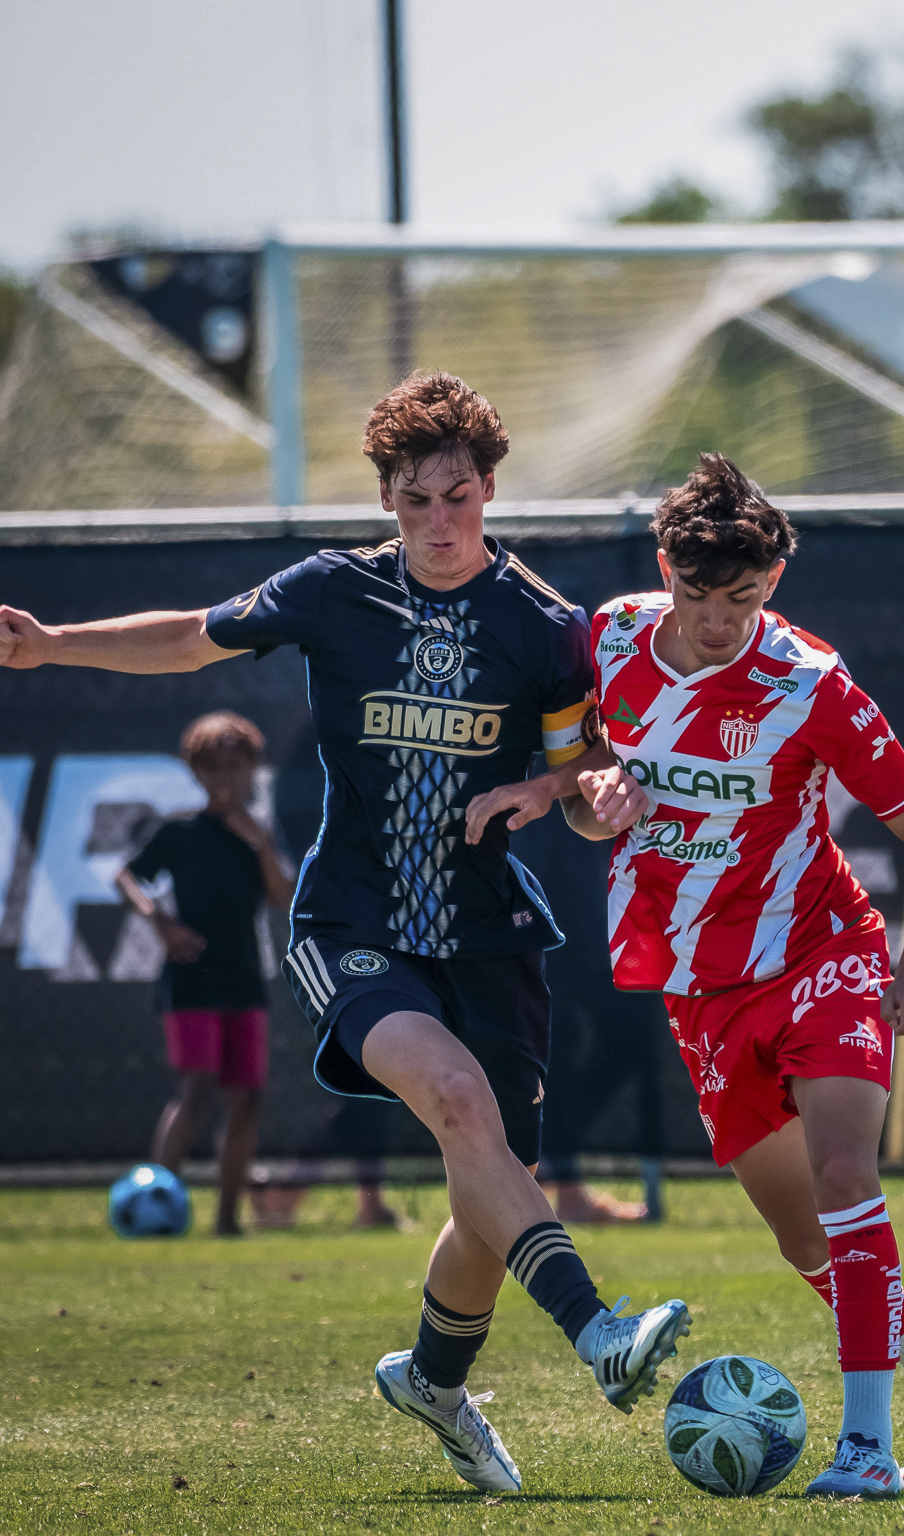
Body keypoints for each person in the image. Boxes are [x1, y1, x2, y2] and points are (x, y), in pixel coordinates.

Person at [0, 370, 687, 1498]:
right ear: (386, 502)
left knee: (490, 1181)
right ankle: (599, 1329)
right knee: (461, 1106)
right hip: (352, 920)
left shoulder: (546, 628)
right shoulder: (330, 591)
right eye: (413, 502)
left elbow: (576, 775)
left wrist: (596, 797)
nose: (437, 522)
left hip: (490, 933)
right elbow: (189, 639)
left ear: (489, 489)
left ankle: (432, 1379)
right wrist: (51, 643)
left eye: (456, 497)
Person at [583, 453, 904, 1498]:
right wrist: (585, 799)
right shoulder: (608, 637)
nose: (720, 619)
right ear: (662, 571)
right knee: (800, 1237)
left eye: (744, 596)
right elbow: (586, 771)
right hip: (700, 984)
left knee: (844, 1178)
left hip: (823, 954)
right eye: (700, 596)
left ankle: (865, 1449)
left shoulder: (810, 684)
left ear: (773, 579)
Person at [114, 710, 295, 1237]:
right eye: (212, 768)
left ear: (251, 770)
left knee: (248, 1099)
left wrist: (260, 843)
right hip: (191, 981)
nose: (225, 778)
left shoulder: (257, 834)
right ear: (195, 772)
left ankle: (226, 1221)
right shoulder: (180, 831)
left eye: (235, 767)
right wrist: (160, 922)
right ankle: (156, 1205)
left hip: (243, 980)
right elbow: (128, 876)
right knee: (196, 1091)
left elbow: (283, 897)